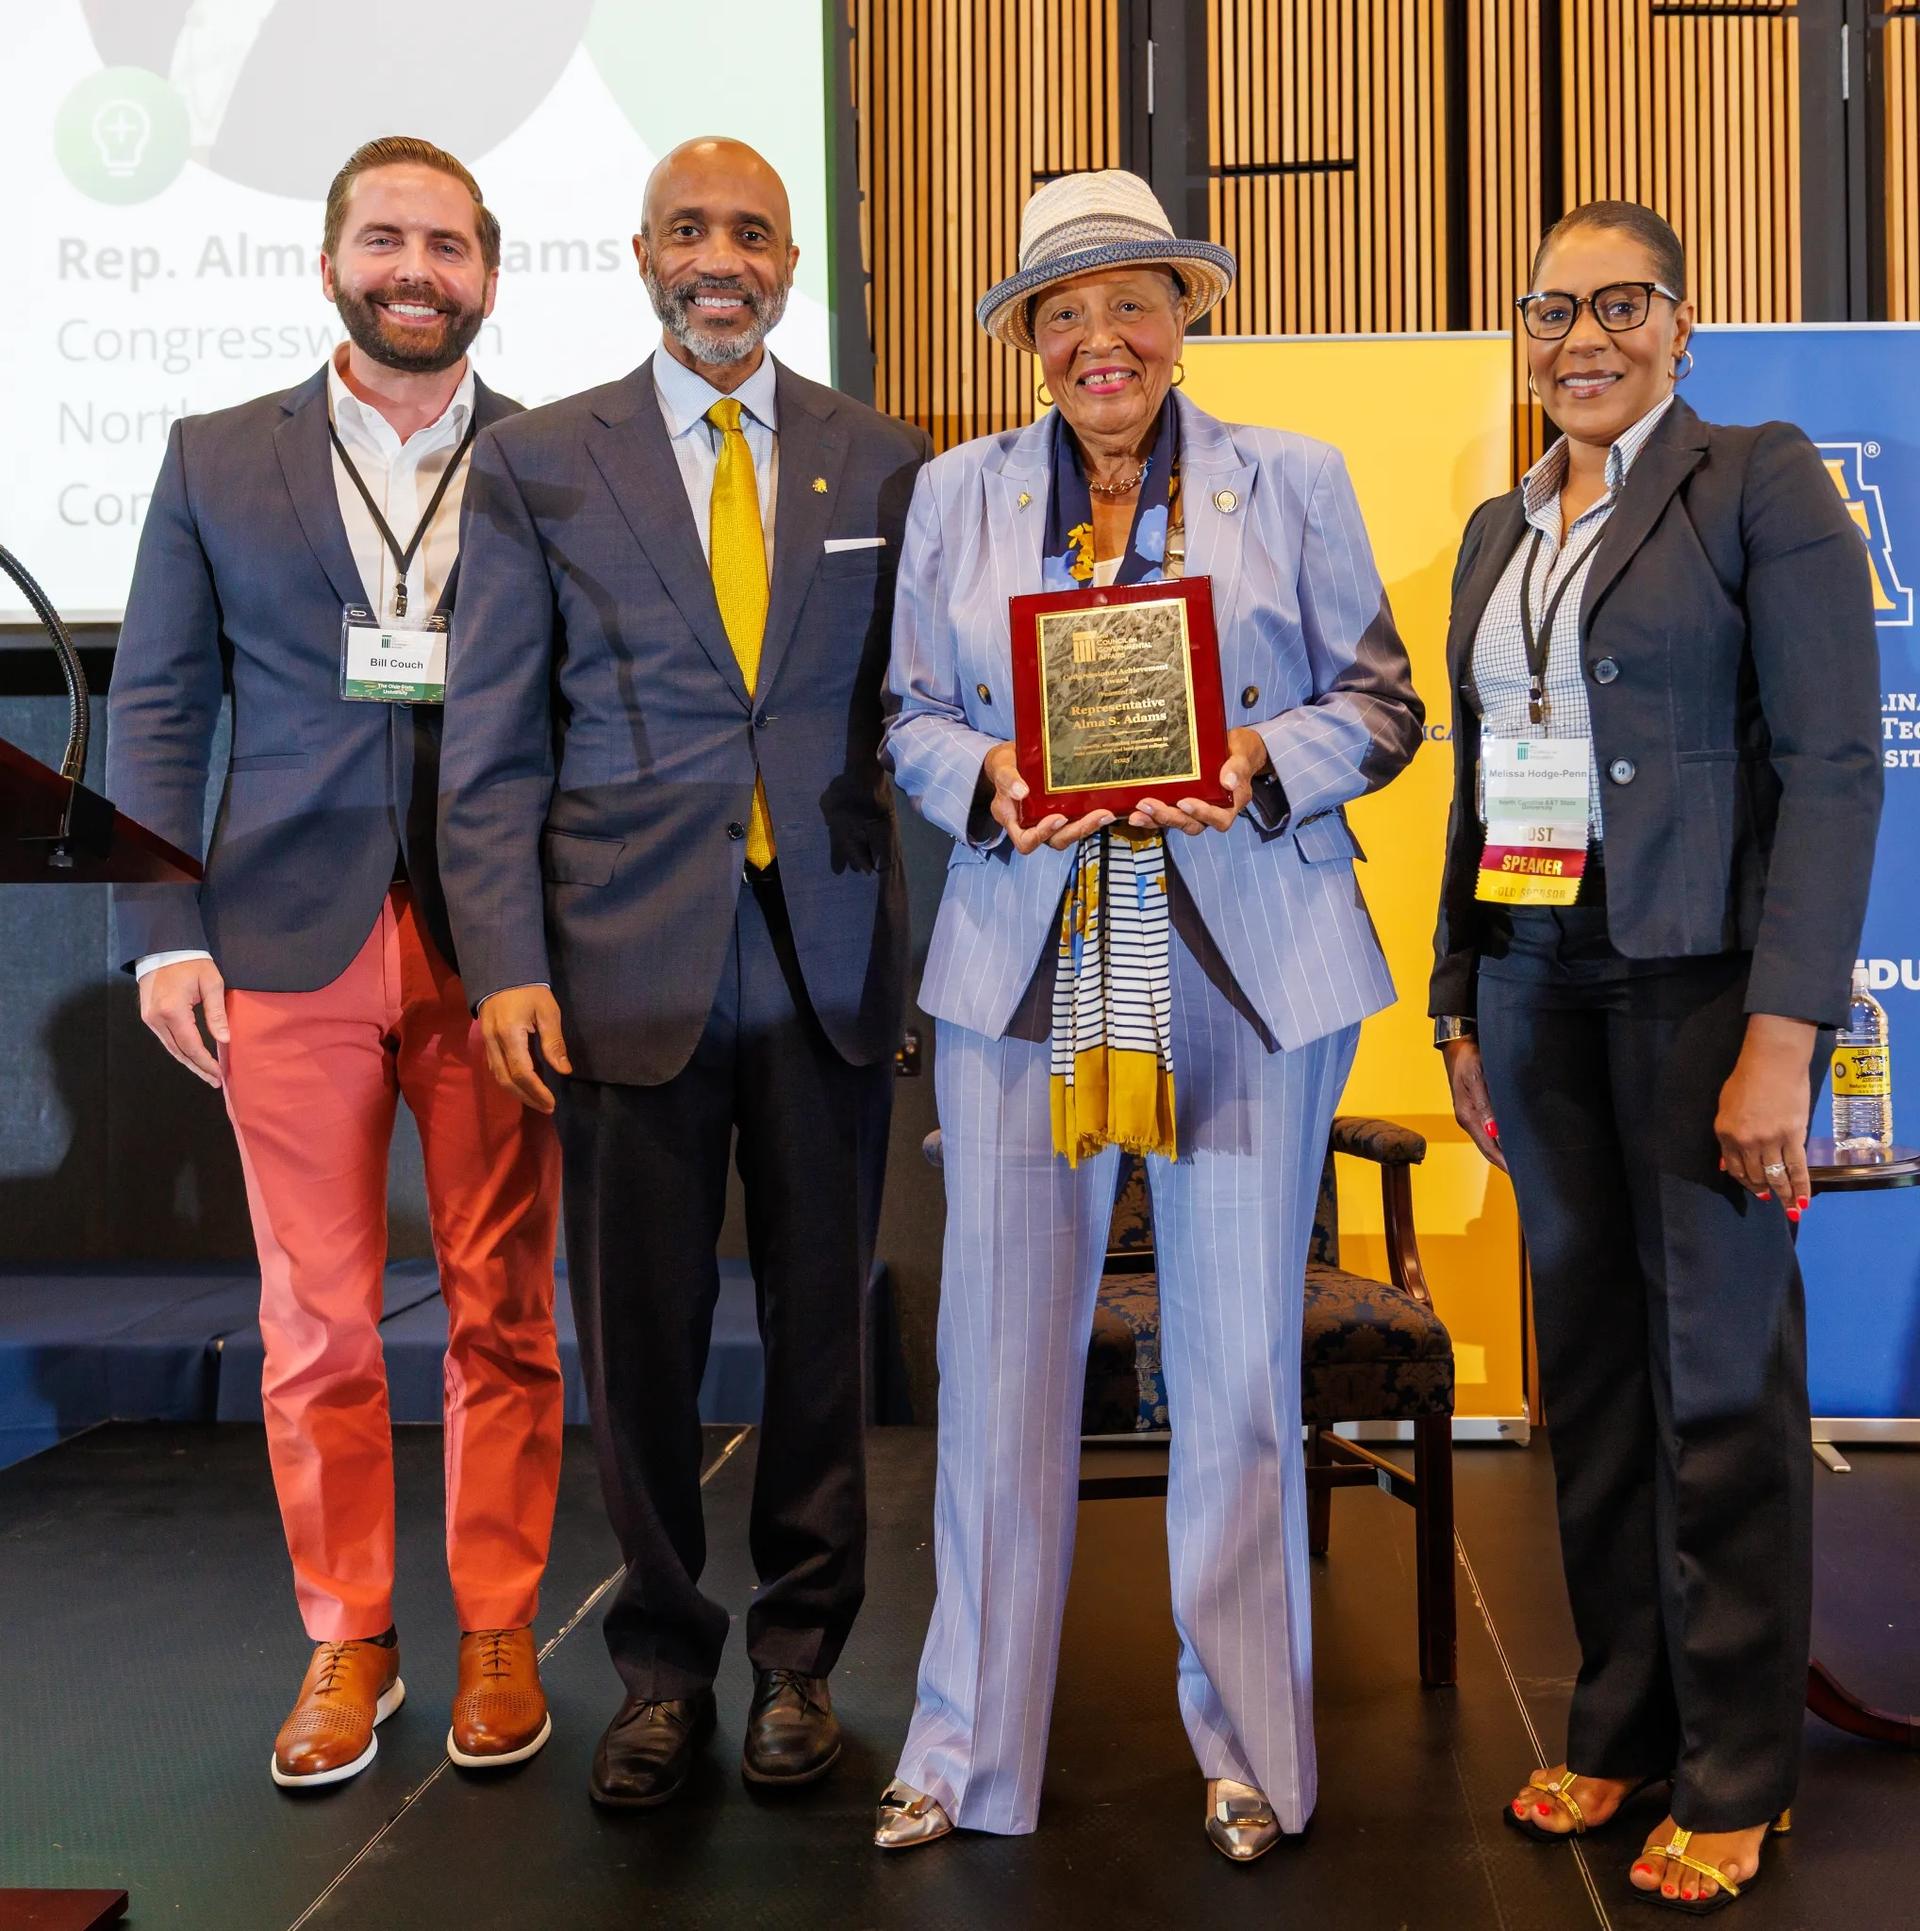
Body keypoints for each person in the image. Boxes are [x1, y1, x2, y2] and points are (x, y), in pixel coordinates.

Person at [875, 169, 1422, 1862]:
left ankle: (1251, 1745)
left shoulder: (1295, 481)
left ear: (1187, 316)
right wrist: (989, 779)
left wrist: (1260, 761)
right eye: (1063, 311)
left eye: (1132, 302)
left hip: (1246, 965)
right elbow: (905, 713)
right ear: (1029, 342)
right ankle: (965, 1755)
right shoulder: (954, 495)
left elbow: (1384, 703)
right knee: (995, 1375)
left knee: (1241, 1374)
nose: (1099, 337)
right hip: (1021, 970)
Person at [438, 137, 928, 1810]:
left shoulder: (885, 461)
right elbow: (490, 745)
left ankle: (801, 1664)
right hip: (619, 968)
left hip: (832, 959)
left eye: (754, 232)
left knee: (821, 1340)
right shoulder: (535, 463)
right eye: (691, 230)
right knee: (632, 1345)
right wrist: (501, 957)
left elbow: (914, 717)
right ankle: (657, 1664)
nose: (722, 257)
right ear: (642, 253)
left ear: (794, 260)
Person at [1431, 199, 1882, 1912]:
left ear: (1682, 326)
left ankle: (1740, 1765)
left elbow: (1836, 770)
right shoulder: (1497, 527)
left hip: (1699, 992)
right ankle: (1620, 1714)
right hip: (1540, 981)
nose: (1584, 339)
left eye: (1621, 305)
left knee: (1718, 1387)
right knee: (1599, 1383)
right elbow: (1488, 779)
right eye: (1553, 311)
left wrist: (1783, 1038)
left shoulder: (1755, 480)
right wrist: (1462, 994)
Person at [106, 136, 564, 1787]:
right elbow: (160, 703)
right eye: (385, 240)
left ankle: (500, 1621)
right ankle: (350, 1635)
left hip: (496, 941)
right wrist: (160, 933)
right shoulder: (216, 456)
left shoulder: (552, 458)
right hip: (282, 938)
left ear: (490, 274)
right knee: (316, 1326)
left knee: (508, 1307)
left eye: (447, 245)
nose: (415, 270)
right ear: (329, 264)